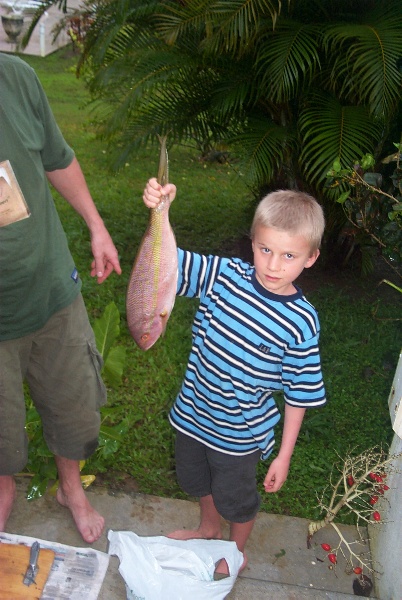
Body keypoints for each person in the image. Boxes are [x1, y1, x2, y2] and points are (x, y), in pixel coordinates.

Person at [142, 177, 326, 575]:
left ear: (311, 257)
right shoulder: (224, 276)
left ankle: (235, 552)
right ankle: (208, 527)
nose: (273, 265)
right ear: (253, 243)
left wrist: (285, 455)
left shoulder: (301, 321)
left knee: (236, 498)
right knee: (196, 480)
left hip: (239, 435)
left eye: (289, 256)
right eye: (265, 249)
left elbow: (300, 394)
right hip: (192, 415)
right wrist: (161, 210)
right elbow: (169, 262)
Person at [0, 53, 121, 543]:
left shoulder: (16, 78)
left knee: (74, 408)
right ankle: (3, 489)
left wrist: (97, 226)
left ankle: (71, 488)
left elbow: (58, 157)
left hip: (51, 291)